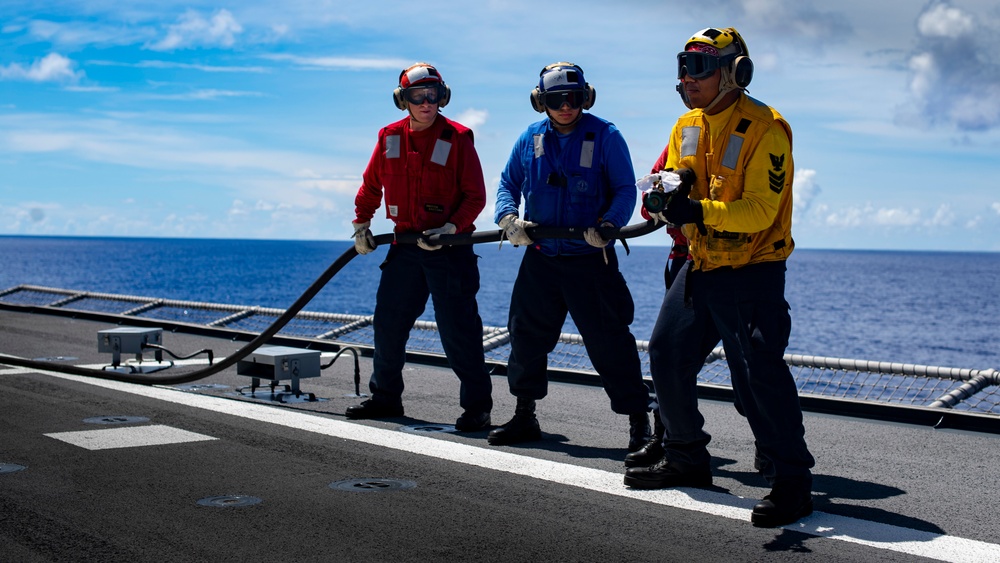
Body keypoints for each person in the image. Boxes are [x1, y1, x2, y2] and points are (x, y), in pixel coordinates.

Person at [622, 28, 816, 529]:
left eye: (700, 67)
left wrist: (695, 210)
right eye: (684, 65)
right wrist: (664, 200)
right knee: (666, 353)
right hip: (702, 264)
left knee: (760, 373)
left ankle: (793, 481)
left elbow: (758, 211)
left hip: (753, 270)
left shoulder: (766, 128)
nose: (688, 77)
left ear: (736, 72)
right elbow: (678, 179)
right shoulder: (684, 126)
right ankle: (687, 457)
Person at [489, 62, 652, 453]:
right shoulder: (529, 138)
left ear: (586, 97)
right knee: (526, 340)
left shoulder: (606, 135)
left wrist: (610, 224)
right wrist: (508, 217)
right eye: (556, 99)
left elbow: (625, 190)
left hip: (591, 261)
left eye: (573, 98)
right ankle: (524, 414)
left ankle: (639, 423)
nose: (565, 107)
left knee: (610, 343)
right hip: (542, 258)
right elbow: (507, 184)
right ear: (540, 102)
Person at [346, 62, 493, 432]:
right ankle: (385, 397)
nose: (426, 103)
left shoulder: (457, 138)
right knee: (388, 324)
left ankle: (478, 408)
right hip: (406, 246)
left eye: (432, 96)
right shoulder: (388, 137)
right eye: (417, 96)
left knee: (458, 331)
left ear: (442, 97)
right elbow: (370, 186)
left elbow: (476, 197)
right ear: (403, 100)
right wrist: (362, 222)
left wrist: (450, 227)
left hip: (449, 249)